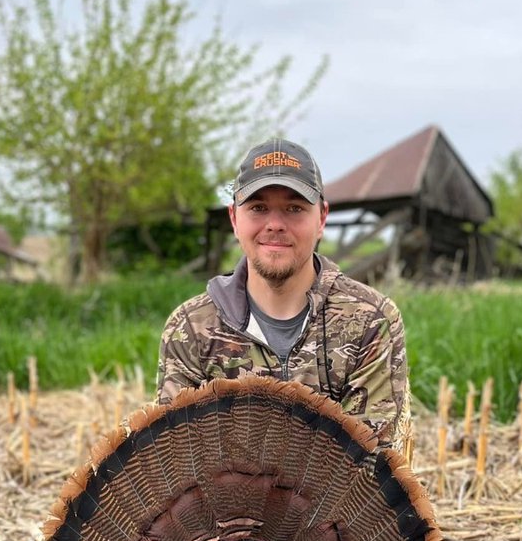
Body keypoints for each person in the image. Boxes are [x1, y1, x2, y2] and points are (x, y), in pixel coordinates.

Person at [156, 137, 410, 449]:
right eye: (258, 208)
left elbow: (368, 462)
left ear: (322, 218)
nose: (275, 224)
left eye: (294, 208)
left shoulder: (370, 321)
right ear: (234, 218)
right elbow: (177, 456)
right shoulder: (190, 327)